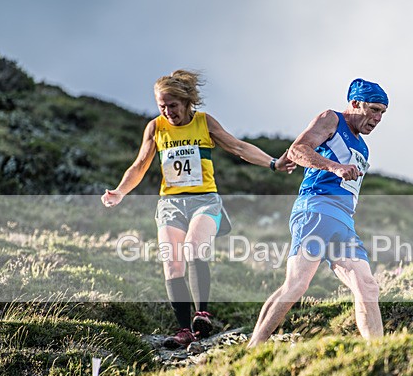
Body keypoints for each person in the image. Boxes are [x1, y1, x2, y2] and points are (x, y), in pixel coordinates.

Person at [101, 70, 294, 347]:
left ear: (187, 101)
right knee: (172, 263)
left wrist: (273, 163)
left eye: (173, 105)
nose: (168, 112)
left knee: (193, 247)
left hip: (204, 200)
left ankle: (202, 314)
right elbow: (139, 165)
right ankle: (184, 331)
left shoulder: (204, 123)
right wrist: (120, 191)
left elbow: (238, 147)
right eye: (162, 106)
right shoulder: (155, 128)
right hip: (170, 204)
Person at [247, 78, 388, 348]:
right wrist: (335, 167)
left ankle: (377, 352)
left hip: (344, 221)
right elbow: (297, 150)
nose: (378, 118)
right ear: (355, 103)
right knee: (297, 284)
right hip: (316, 209)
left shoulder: (363, 146)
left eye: (382, 112)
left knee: (367, 286)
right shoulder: (331, 119)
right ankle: (254, 347)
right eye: (373, 110)